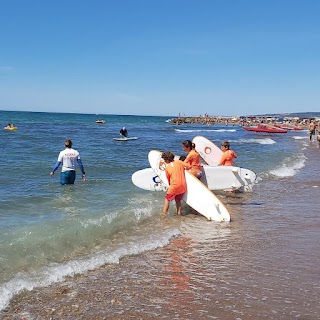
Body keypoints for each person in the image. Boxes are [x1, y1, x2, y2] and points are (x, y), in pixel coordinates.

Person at [162, 151, 190, 216]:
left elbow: (168, 179)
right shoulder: (179, 162)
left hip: (174, 186)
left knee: (167, 199)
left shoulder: (167, 167)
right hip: (183, 186)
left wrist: (170, 186)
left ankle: (164, 215)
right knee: (178, 200)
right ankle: (179, 214)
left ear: (166, 160)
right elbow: (189, 166)